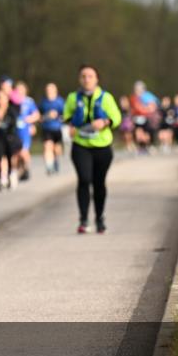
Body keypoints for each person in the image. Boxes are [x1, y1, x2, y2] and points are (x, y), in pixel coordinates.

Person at [63, 65, 122, 234]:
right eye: (83, 76)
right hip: (81, 146)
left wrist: (105, 122)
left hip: (102, 147)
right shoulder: (73, 98)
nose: (86, 79)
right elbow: (66, 116)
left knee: (99, 183)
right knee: (84, 179)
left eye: (90, 76)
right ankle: (83, 219)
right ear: (79, 79)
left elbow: (117, 117)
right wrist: (70, 125)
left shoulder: (106, 97)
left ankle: (99, 217)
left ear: (96, 79)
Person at [14, 81, 40, 182]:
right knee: (16, 154)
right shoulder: (12, 101)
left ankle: (26, 169)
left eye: (21, 89)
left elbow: (36, 115)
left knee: (24, 152)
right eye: (17, 89)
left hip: (25, 131)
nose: (20, 91)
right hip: (14, 131)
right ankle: (20, 171)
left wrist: (31, 122)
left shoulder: (29, 101)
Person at [39, 83, 66, 174]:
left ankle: (55, 160)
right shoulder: (43, 102)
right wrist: (46, 116)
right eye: (47, 90)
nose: (49, 91)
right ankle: (49, 167)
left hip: (57, 128)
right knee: (47, 147)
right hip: (46, 129)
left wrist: (57, 116)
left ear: (55, 91)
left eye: (51, 90)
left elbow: (65, 115)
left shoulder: (60, 101)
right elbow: (39, 116)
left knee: (56, 149)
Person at [129, 80, 158, 153]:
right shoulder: (133, 97)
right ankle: (141, 146)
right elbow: (133, 108)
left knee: (146, 133)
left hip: (146, 117)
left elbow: (152, 107)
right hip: (137, 118)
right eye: (136, 89)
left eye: (140, 89)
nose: (138, 91)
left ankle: (149, 145)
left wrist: (144, 110)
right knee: (138, 133)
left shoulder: (148, 96)